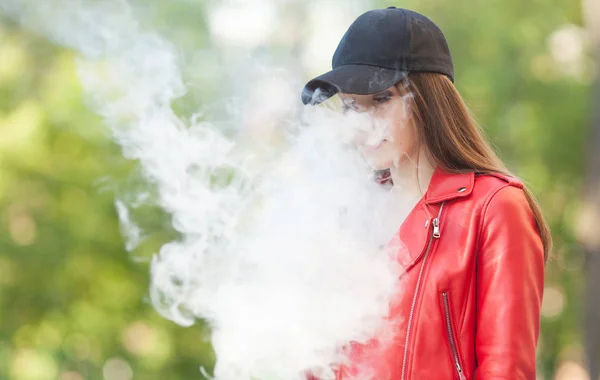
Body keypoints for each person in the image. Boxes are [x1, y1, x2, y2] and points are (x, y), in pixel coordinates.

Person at [301, 6, 550, 380]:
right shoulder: (347, 215)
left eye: (382, 99)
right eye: (352, 105)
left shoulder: (494, 208)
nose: (362, 123)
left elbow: (507, 370)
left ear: (429, 99)